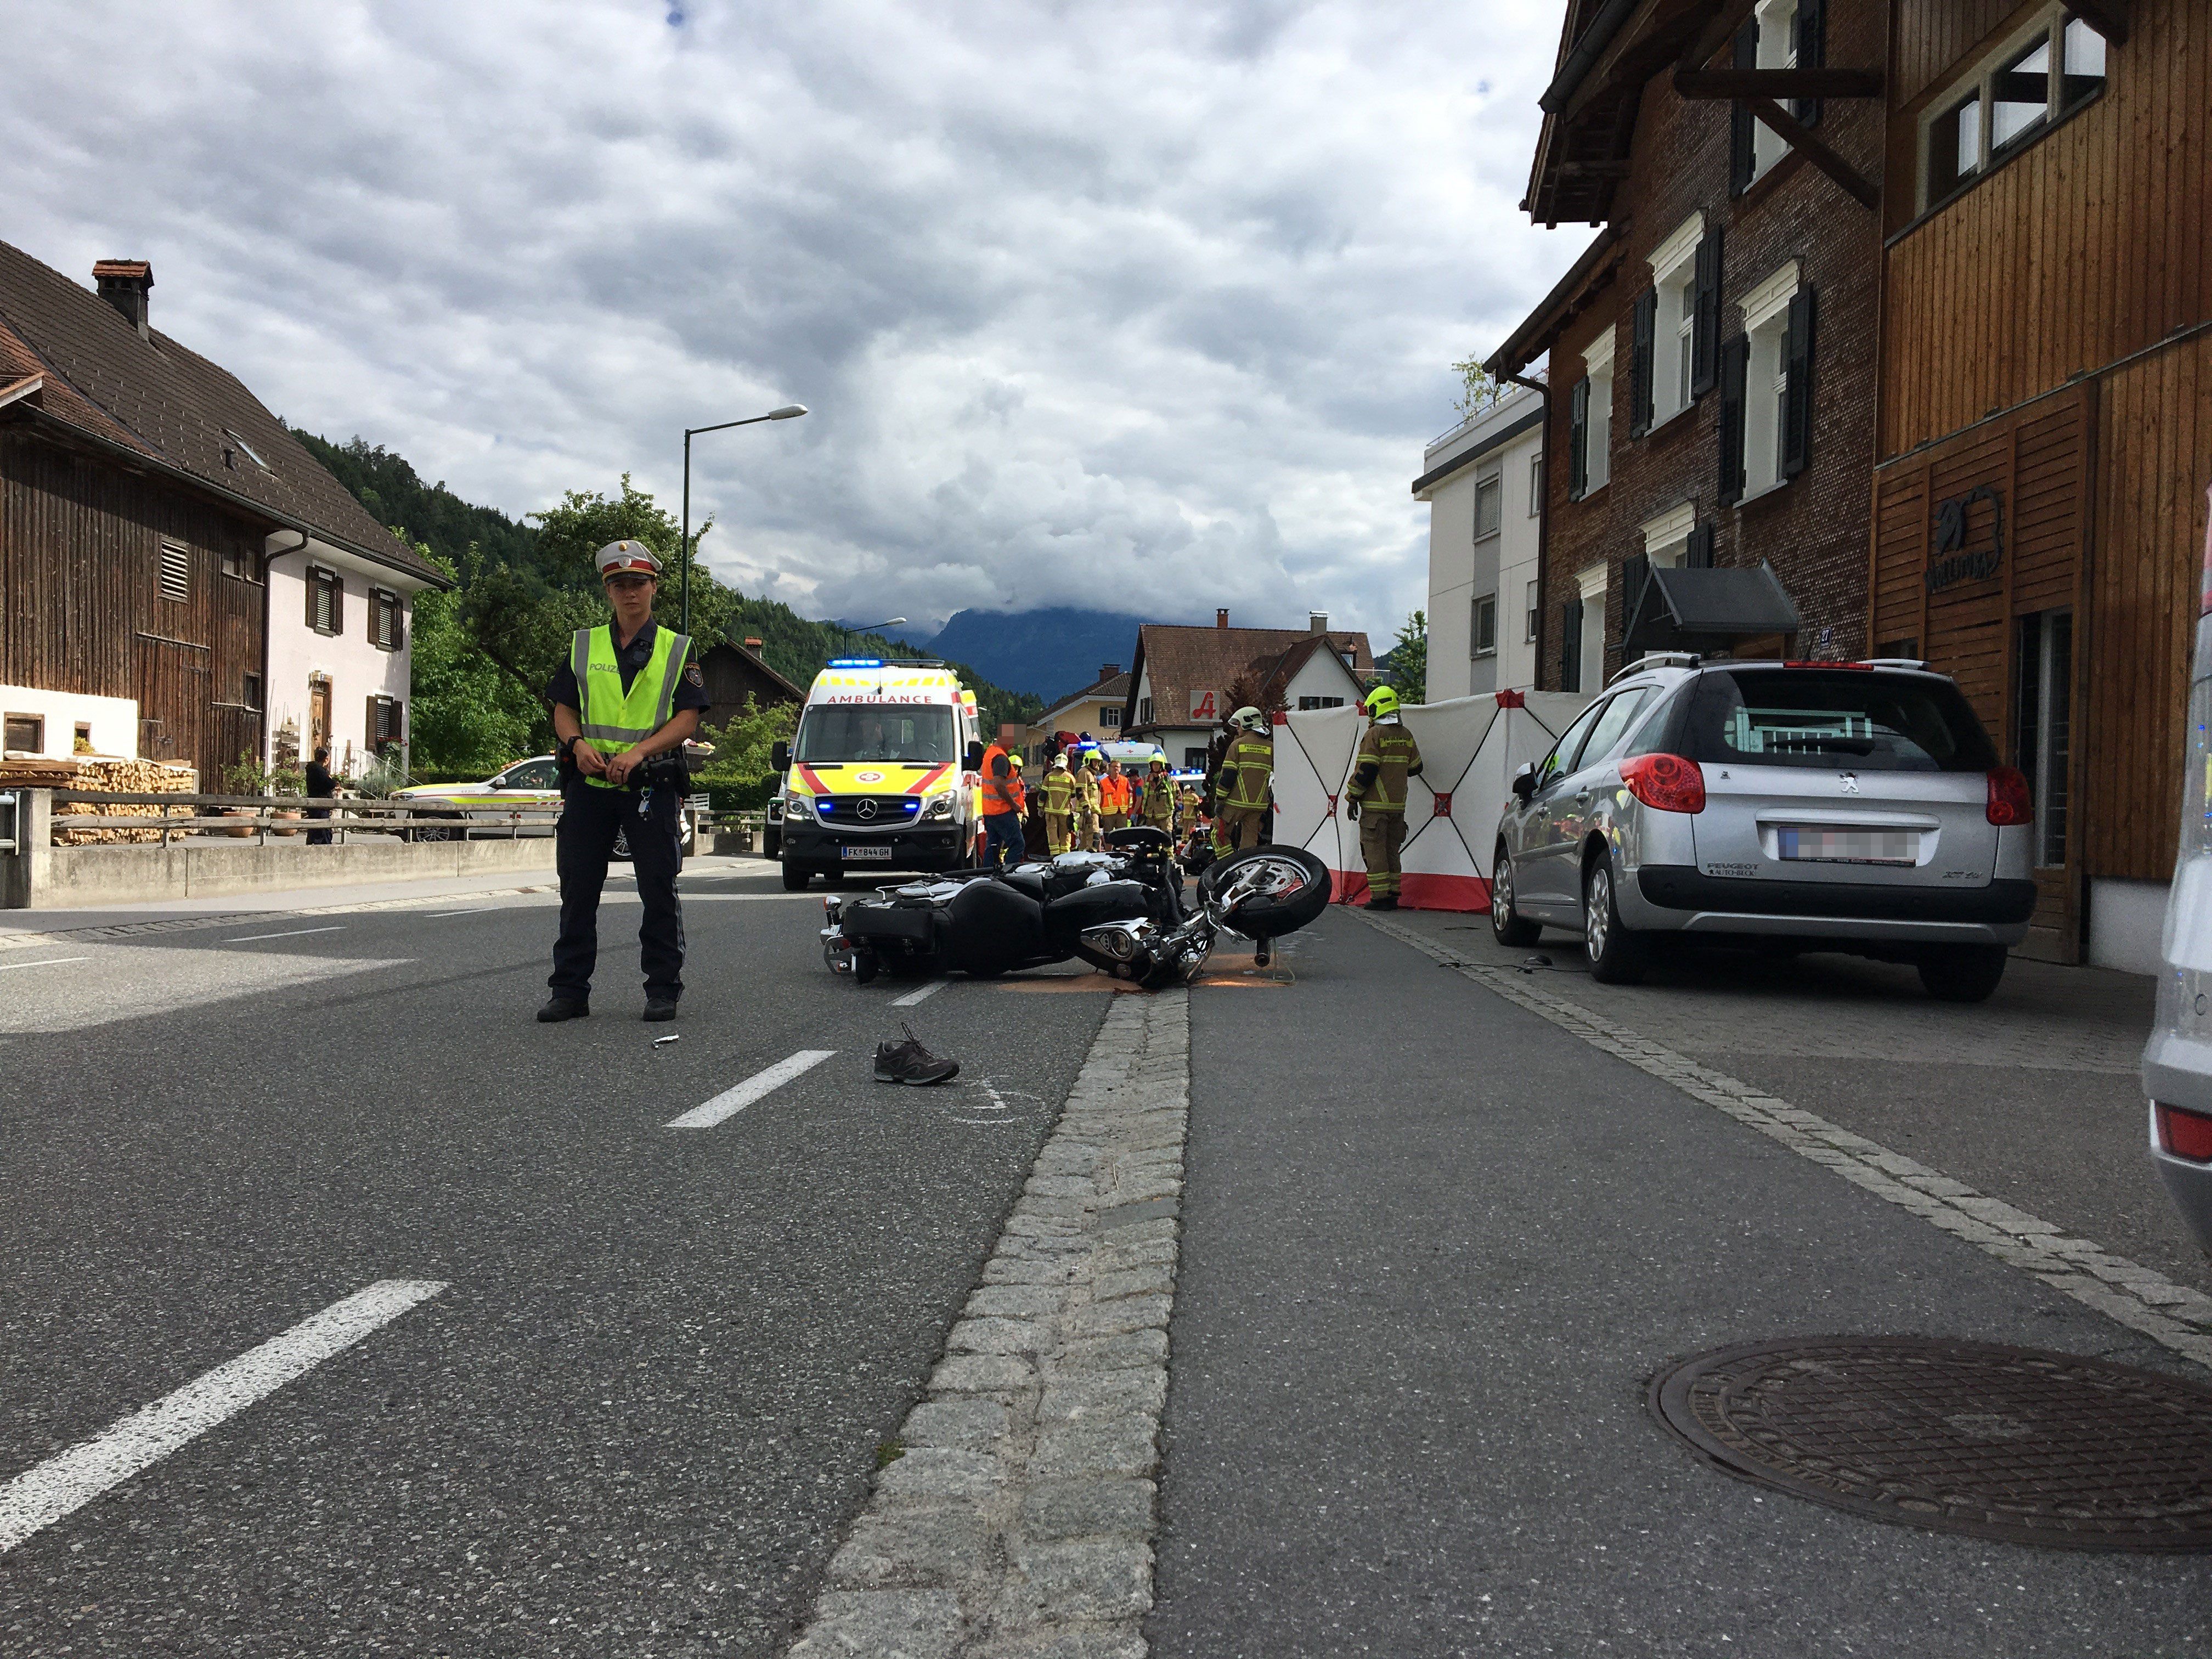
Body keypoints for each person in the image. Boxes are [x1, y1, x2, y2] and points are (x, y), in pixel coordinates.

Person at [538, 540, 709, 1023]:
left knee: (656, 887)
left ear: (653, 587)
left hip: (649, 784)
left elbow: (688, 718)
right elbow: (564, 707)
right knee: (577, 890)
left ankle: (662, 989)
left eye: (638, 583)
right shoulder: (584, 643)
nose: (629, 592)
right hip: (589, 784)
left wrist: (639, 752)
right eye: (619, 585)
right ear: (608, 591)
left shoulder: (678, 648)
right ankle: (569, 991)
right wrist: (576, 745)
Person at [1344, 684, 1424, 911]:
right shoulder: (1406, 735)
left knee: (1375, 851)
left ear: (1375, 711)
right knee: (1392, 851)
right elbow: (1416, 768)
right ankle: (1393, 895)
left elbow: (1366, 770)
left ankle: (1380, 898)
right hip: (1398, 807)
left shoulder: (1374, 735)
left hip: (1375, 808)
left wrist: (1352, 797)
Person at [1212, 706, 1273, 853]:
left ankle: (1228, 867)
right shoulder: (1271, 747)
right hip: (1258, 805)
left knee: (1218, 835)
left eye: (1239, 724)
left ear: (1247, 723)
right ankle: (1247, 870)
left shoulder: (1237, 745)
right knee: (1249, 842)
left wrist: (1220, 800)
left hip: (1235, 802)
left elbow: (1228, 776)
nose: (1237, 728)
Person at [979, 735, 1025, 870]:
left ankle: (987, 875)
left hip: (990, 811)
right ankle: (1009, 874)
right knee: (1017, 844)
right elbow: (999, 784)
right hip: (1002, 811)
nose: (1013, 745)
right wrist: (1013, 804)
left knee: (993, 846)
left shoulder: (990, 753)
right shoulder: (1001, 758)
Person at [1042, 752, 1075, 854]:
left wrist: (1040, 808)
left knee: (1052, 832)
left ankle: (1054, 854)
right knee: (1065, 834)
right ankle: (1065, 855)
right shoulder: (1070, 778)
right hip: (1065, 812)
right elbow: (1074, 795)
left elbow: (1043, 795)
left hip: (1050, 811)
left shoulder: (1049, 777)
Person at [303, 746, 335, 845]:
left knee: (315, 831)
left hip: (316, 804)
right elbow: (330, 784)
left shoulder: (314, 769)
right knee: (322, 831)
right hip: (320, 805)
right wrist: (332, 780)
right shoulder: (319, 771)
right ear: (327, 758)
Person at [1074, 753, 1104, 850]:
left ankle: (1082, 855)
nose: (1096, 764)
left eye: (1098, 762)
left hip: (1093, 810)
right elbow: (1081, 791)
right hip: (1088, 810)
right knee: (1095, 835)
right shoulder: (1084, 772)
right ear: (1088, 761)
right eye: (1095, 761)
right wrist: (1086, 807)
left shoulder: (1092, 774)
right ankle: (1092, 856)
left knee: (1086, 837)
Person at [1140, 756, 1176, 835]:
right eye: (1154, 765)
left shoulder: (1168, 779)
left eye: (1157, 765)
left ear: (1161, 765)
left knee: (1167, 839)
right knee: (1153, 841)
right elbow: (1144, 795)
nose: (1155, 767)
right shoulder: (1147, 779)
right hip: (1151, 815)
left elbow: (1175, 793)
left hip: (1165, 815)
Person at [1101, 760, 1131, 832]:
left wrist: (1129, 811)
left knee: (1122, 835)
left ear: (1120, 768)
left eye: (1118, 767)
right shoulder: (1103, 782)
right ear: (1110, 768)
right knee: (1108, 835)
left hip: (1122, 813)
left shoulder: (1125, 780)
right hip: (1108, 814)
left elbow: (1130, 796)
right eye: (1114, 766)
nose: (1116, 768)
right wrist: (1100, 813)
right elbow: (1100, 798)